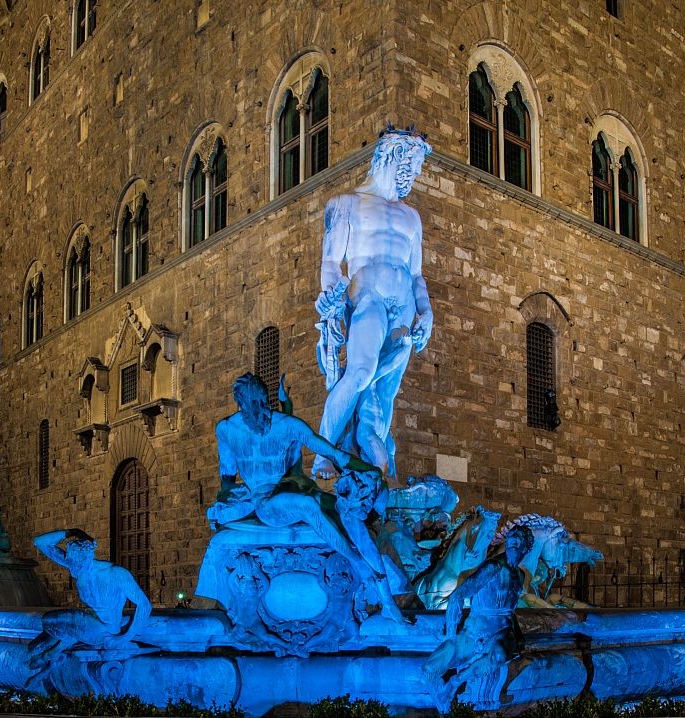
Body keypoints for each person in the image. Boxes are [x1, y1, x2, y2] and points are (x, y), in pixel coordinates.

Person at [211, 372, 406, 622]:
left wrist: (369, 470)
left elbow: (334, 453)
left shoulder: (288, 426)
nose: (251, 409)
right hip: (266, 504)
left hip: (292, 490)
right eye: (248, 404)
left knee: (347, 512)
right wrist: (226, 503)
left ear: (261, 399)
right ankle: (356, 561)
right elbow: (226, 478)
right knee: (307, 504)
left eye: (255, 403)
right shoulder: (227, 430)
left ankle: (387, 597)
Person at [314, 127, 434, 478]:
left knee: (384, 392)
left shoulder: (412, 217)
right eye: (411, 167)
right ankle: (323, 454)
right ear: (393, 155)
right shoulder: (346, 204)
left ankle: (373, 466)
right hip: (367, 298)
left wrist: (426, 311)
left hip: (405, 308)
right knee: (361, 371)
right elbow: (331, 263)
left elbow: (416, 275)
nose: (414, 176)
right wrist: (333, 298)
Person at [422, 524, 534, 709]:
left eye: (519, 537)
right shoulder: (494, 567)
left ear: (527, 547)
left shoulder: (521, 576)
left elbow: (510, 611)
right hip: (474, 632)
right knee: (428, 671)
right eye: (511, 536)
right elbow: (458, 595)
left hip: (501, 634)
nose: (513, 540)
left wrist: (518, 634)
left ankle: (456, 682)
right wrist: (450, 635)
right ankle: (442, 702)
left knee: (498, 654)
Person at [26, 529, 152, 671]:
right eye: (71, 564)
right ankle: (49, 654)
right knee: (33, 647)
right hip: (88, 623)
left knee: (49, 621)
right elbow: (39, 542)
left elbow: (145, 605)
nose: (73, 570)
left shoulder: (116, 574)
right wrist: (71, 532)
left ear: (88, 556)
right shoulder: (78, 566)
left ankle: (49, 655)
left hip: (106, 631)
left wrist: (124, 638)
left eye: (76, 565)